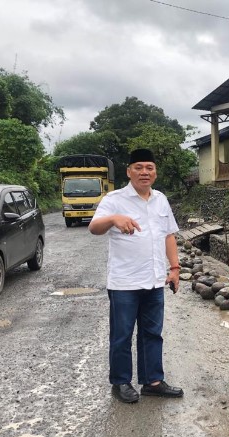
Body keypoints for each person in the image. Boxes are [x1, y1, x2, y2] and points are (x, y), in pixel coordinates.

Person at [88, 148, 183, 404]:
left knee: (152, 333)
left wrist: (174, 269)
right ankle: (120, 382)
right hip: (124, 283)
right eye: (138, 167)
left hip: (154, 280)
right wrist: (113, 218)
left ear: (155, 172)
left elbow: (169, 235)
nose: (144, 172)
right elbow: (94, 228)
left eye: (149, 167)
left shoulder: (161, 199)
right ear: (129, 171)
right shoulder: (114, 199)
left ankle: (152, 381)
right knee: (122, 335)